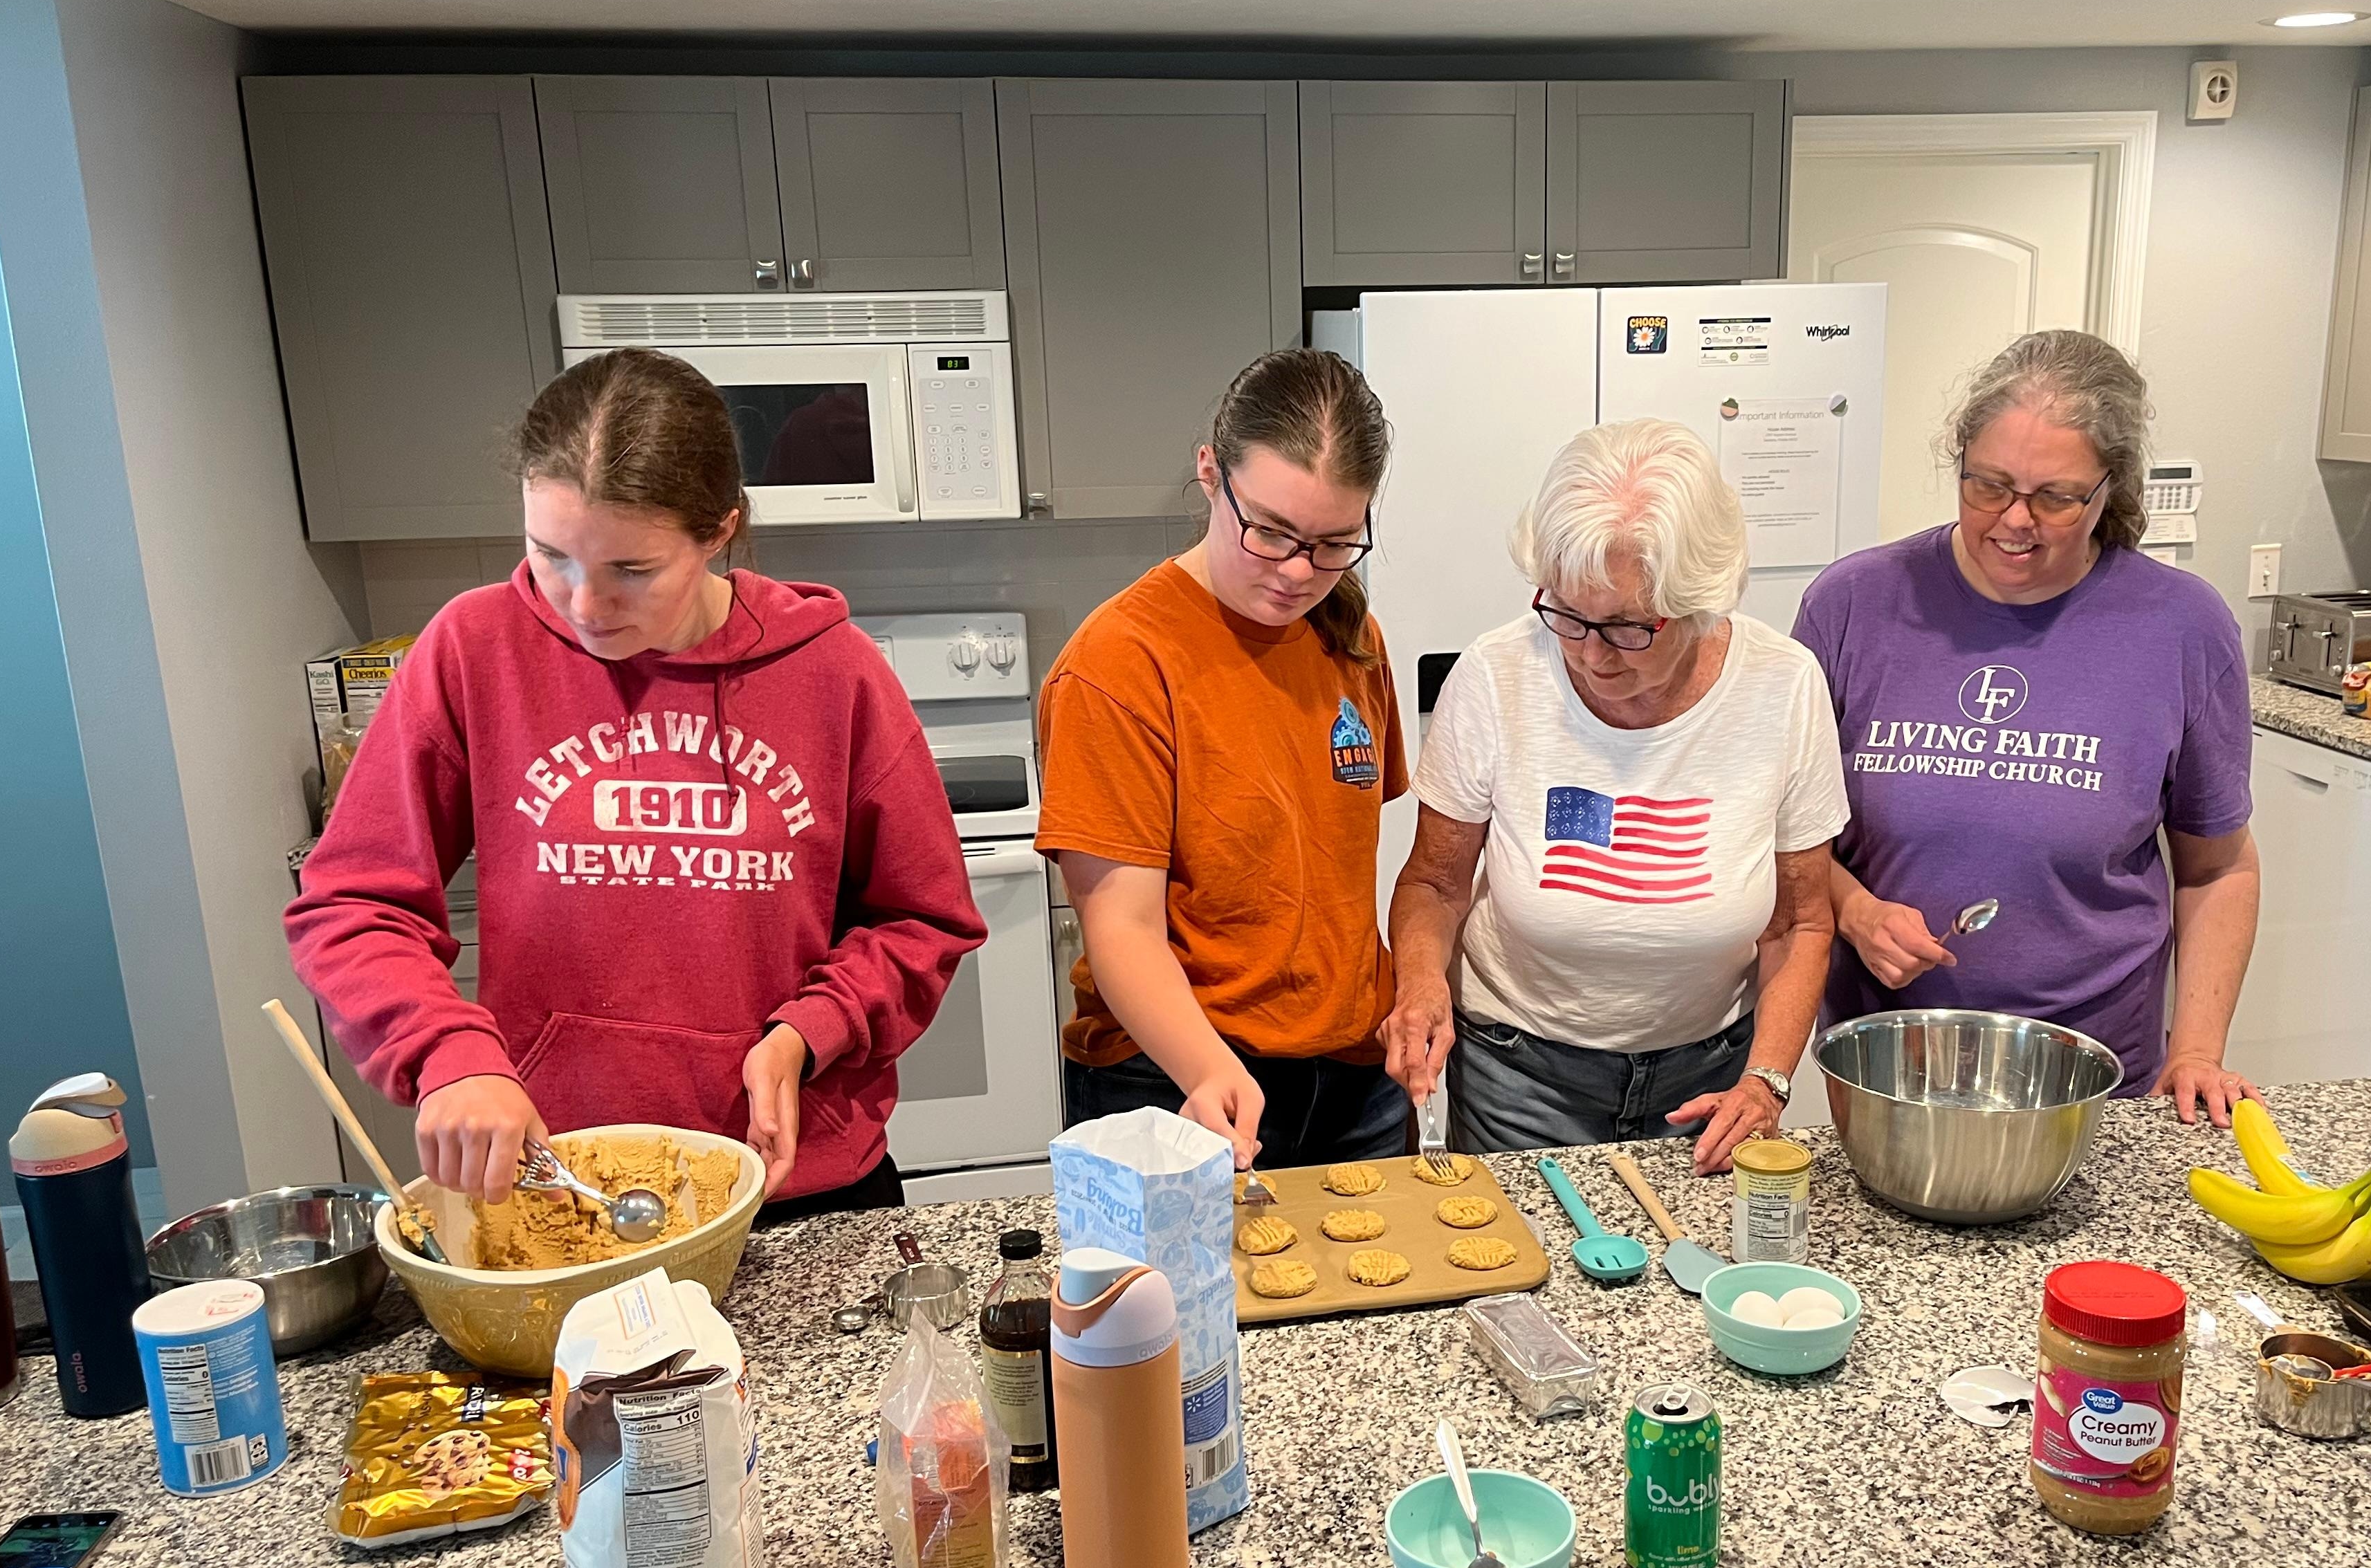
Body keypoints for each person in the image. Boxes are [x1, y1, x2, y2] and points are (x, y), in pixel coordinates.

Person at [287, 348, 987, 1220]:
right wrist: (448, 1052)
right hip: (563, 1179)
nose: (584, 605)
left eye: (632, 571)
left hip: (789, 1180)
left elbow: (924, 918)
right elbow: (353, 903)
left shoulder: (833, 671)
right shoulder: (475, 650)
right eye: (551, 556)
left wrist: (811, 1032)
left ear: (719, 532)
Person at [1791, 329, 2259, 1123]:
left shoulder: (2182, 627)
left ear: (2111, 489)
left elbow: (2218, 869)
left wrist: (2197, 1050)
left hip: (2091, 1068)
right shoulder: (1854, 605)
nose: (2015, 521)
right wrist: (1859, 912)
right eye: (1988, 487)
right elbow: (1783, 835)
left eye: (2056, 497)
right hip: (1888, 1054)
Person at [1386, 419, 1847, 1174]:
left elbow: (1799, 924)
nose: (1591, 654)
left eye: (1629, 626)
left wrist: (1766, 1081)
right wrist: (1419, 987)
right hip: (1518, 1072)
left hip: (1709, 1078)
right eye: (1566, 614)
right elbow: (1436, 883)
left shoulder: (1783, 686)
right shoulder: (1497, 675)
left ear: (1698, 607)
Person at [1036, 350, 1410, 1170]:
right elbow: (1120, 926)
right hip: (1176, 1075)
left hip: (1354, 1077)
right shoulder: (1120, 664)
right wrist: (1207, 1067)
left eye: (1335, 542)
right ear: (1211, 473)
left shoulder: (1352, 639)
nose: (1298, 572)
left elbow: (1328, 876)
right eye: (1270, 532)